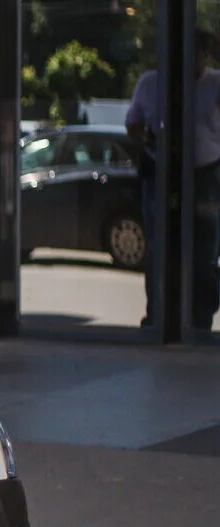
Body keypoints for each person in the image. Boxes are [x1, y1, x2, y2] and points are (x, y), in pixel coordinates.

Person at [127, 29, 220, 331]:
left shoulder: (216, 85)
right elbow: (134, 122)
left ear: (206, 55)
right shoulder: (151, 83)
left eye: (198, 53)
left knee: (204, 252)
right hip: (162, 173)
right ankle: (158, 316)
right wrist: (146, 141)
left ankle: (199, 320)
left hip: (205, 174)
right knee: (158, 249)